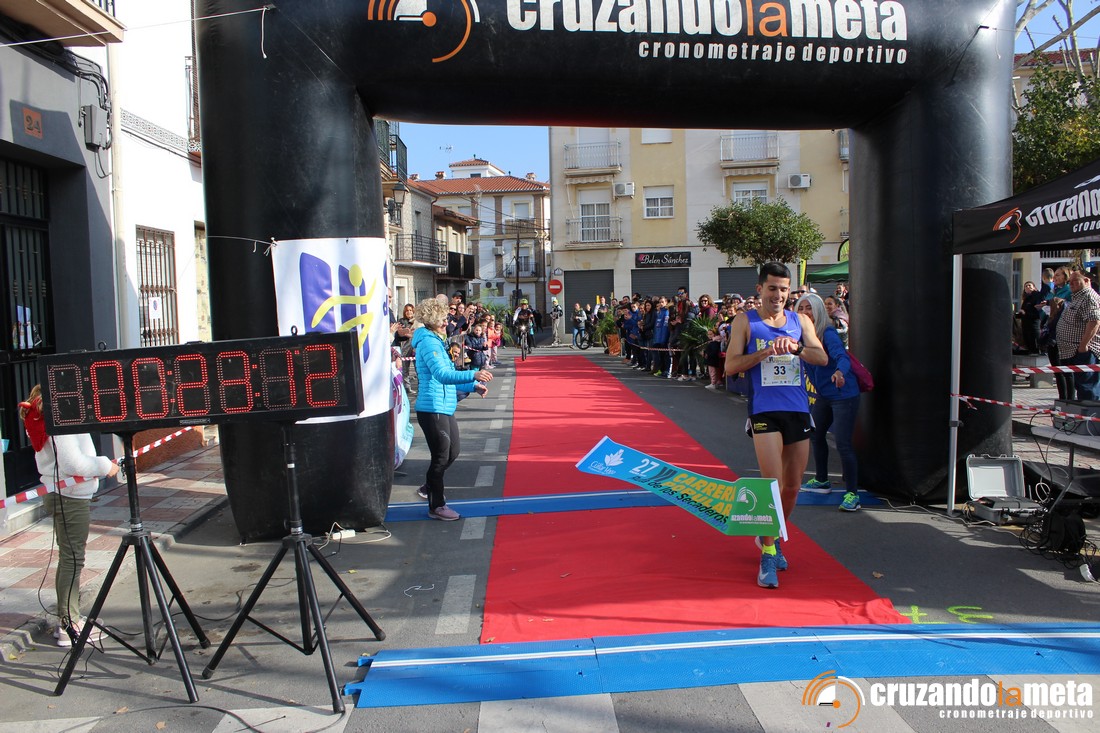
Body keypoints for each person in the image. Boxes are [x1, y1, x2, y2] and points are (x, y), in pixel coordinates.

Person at [725, 263, 827, 589]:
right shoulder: (746, 321)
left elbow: (821, 357)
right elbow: (730, 366)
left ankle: (767, 534)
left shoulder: (800, 321)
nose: (778, 295)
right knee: (772, 484)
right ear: (760, 289)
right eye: (772, 288)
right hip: (764, 411)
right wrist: (766, 352)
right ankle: (769, 551)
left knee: (793, 487)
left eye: (784, 289)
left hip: (797, 410)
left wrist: (797, 348)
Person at [19, 385, 119, 646]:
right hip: (69, 496)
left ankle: (68, 619)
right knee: (73, 559)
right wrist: (104, 465)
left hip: (64, 494)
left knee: (70, 558)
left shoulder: (43, 416)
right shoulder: (61, 415)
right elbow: (72, 463)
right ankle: (69, 625)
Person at [410, 299, 492, 520]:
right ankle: (437, 506)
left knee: (452, 453)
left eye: (446, 318)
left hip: (444, 406)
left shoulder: (438, 341)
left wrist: (472, 386)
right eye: (443, 319)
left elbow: (448, 377)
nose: (447, 322)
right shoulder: (429, 343)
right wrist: (473, 374)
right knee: (441, 456)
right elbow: (442, 375)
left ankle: (429, 487)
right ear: (432, 321)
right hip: (432, 407)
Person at [796, 293, 861, 512]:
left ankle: (852, 494)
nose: (805, 312)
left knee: (843, 443)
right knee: (816, 434)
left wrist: (839, 372)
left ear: (818, 310)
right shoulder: (801, 336)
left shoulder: (828, 332)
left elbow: (842, 356)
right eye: (800, 308)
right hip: (824, 395)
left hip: (844, 395)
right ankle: (822, 480)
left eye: (809, 308)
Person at [1056, 270, 1100, 401]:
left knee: (1088, 389)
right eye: (1070, 282)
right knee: (1081, 387)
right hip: (1073, 352)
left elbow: (1094, 321)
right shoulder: (1078, 296)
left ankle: (1091, 413)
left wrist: (1083, 346)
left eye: (1075, 281)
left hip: (1085, 352)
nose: (1071, 284)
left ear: (1086, 281)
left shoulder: (1088, 296)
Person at [1043, 267, 1074, 400]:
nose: (1055, 278)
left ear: (1066, 276)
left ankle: (1070, 400)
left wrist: (1056, 303)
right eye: (1054, 275)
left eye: (1058, 275)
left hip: (1064, 333)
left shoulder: (1069, 291)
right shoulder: (1053, 290)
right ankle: (1062, 398)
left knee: (1066, 370)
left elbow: (1068, 308)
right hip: (1051, 331)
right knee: (1057, 369)